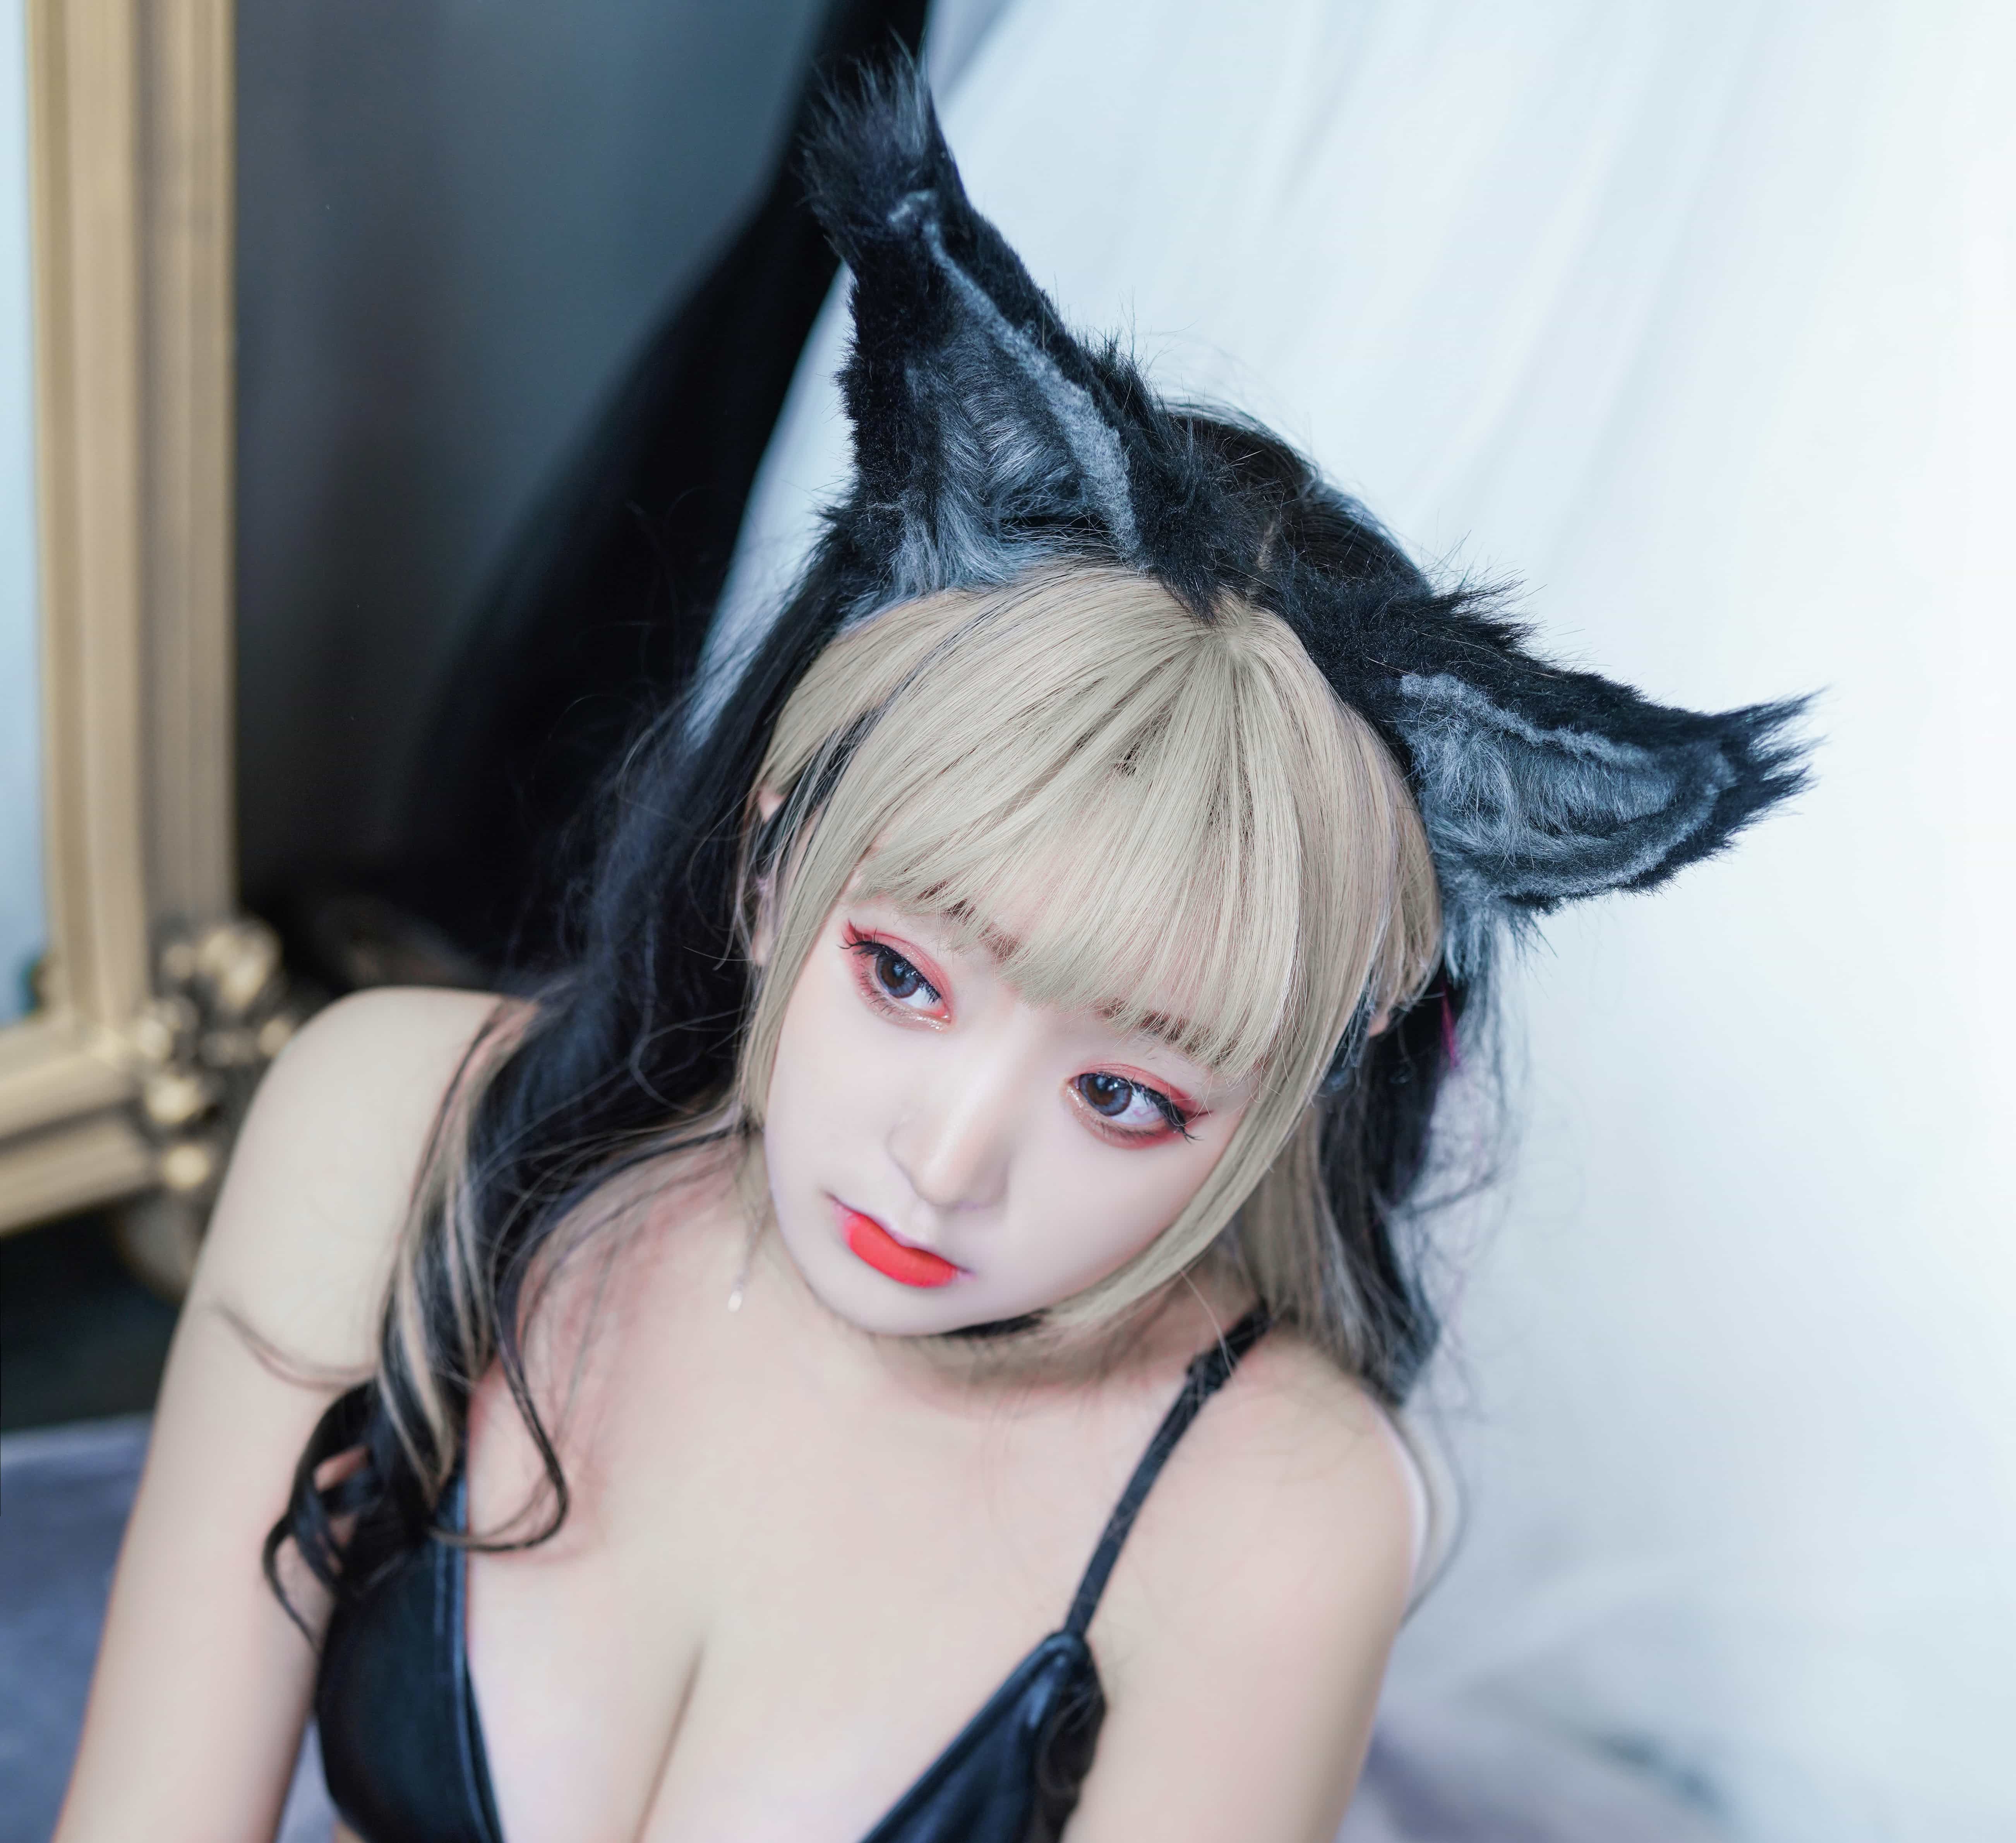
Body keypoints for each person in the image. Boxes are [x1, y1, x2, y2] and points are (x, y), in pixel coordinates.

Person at [54, 65, 1805, 1843]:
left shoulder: (1267, 1514)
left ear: (1282, 1104)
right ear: (775, 857)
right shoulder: (387, 1135)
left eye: (1125, 1095)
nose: (950, 1160)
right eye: (904, 979)